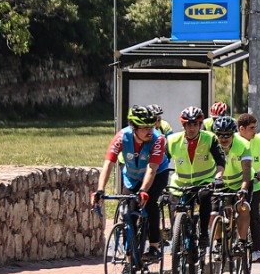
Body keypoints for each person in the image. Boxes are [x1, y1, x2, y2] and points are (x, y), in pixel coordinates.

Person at [92, 106, 170, 261]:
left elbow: (152, 169)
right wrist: (100, 189)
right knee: (129, 212)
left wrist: (143, 190)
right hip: (132, 176)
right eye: (144, 128)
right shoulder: (122, 137)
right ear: (134, 127)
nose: (149, 131)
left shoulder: (158, 139)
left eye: (151, 126)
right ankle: (130, 261)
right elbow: (109, 163)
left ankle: (154, 246)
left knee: (150, 203)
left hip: (156, 174)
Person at [166, 106, 227, 245]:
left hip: (204, 181)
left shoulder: (209, 138)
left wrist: (218, 177)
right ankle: (177, 236)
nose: (192, 128)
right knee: (173, 206)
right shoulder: (172, 140)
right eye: (188, 124)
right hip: (180, 183)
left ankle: (204, 233)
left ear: (200, 125)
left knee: (205, 197)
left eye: (195, 124)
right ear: (184, 125)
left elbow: (220, 161)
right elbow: (161, 163)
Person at [209, 115, 256, 268]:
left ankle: (241, 242)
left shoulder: (242, 144)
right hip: (220, 182)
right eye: (220, 135)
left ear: (233, 134)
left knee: (243, 208)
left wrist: (243, 189)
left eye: (227, 135)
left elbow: (247, 171)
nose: (224, 138)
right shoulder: (211, 145)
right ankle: (217, 243)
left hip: (240, 181)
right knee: (213, 213)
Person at [236, 113, 260, 264]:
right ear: (242, 129)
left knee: (253, 214)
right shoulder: (234, 141)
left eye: (255, 128)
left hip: (255, 184)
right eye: (252, 128)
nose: (255, 131)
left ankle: (256, 251)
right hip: (236, 182)